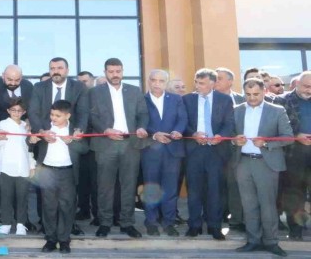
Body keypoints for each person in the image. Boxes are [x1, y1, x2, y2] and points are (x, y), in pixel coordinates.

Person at [231, 78, 294, 257]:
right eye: (248, 94)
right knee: (248, 204)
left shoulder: (277, 110)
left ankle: (271, 242)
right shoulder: (236, 110)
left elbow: (288, 137)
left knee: (267, 205)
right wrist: (235, 141)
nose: (252, 98)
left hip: (266, 163)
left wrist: (266, 143)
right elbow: (229, 134)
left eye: (256, 94)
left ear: (264, 91)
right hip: (243, 163)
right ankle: (253, 241)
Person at [89, 58, 148, 238]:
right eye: (111, 71)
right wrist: (105, 130)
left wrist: (141, 127)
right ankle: (104, 223)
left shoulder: (134, 91)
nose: (115, 75)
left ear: (122, 71)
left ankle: (127, 223)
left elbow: (143, 114)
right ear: (105, 72)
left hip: (130, 144)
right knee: (105, 186)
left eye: (118, 71)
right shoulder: (95, 92)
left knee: (129, 186)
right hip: (106, 144)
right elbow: (92, 116)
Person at [29, 57, 89, 233]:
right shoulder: (39, 87)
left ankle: (69, 226)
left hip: (70, 145)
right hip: (46, 144)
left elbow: (83, 112)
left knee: (68, 195)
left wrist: (78, 131)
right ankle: (46, 225)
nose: (55, 71)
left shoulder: (79, 87)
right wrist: (42, 132)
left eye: (59, 68)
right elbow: (33, 112)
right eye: (52, 68)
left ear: (67, 70)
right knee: (45, 193)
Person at [182, 68, 234, 240]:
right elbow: (182, 123)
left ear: (212, 83)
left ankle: (215, 226)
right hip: (194, 151)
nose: (197, 86)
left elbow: (229, 123)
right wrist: (193, 134)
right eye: (196, 82)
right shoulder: (187, 99)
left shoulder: (224, 100)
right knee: (194, 190)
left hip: (216, 151)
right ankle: (194, 226)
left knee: (215, 191)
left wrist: (221, 136)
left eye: (202, 83)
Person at [0, 64, 34, 231]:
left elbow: (32, 110)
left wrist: (30, 122)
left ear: (22, 78)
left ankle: (22, 221)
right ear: (3, 75)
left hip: (22, 142)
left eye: (17, 80)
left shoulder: (28, 87)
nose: (13, 83)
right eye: (9, 79)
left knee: (21, 186)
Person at [32, 100, 87, 253]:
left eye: (58, 115)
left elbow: (85, 149)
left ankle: (64, 240)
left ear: (67, 116)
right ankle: (50, 239)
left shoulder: (76, 129)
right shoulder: (44, 127)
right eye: (52, 114)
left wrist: (71, 142)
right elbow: (30, 142)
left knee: (67, 206)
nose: (53, 118)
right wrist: (36, 138)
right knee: (49, 206)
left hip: (67, 172)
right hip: (47, 171)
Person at [140, 69, 187, 236]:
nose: (157, 84)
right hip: (150, 151)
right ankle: (151, 222)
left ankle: (169, 222)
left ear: (166, 83)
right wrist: (154, 134)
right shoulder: (141, 99)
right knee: (151, 189)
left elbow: (182, 119)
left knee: (170, 189)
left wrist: (177, 131)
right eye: (153, 80)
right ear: (149, 81)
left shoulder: (176, 99)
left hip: (172, 150)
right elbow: (139, 122)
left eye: (161, 81)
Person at [275, 70, 311, 240]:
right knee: (294, 192)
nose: (309, 90)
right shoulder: (282, 101)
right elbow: (277, 127)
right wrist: (296, 136)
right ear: (296, 84)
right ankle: (295, 230)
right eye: (306, 86)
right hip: (293, 153)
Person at [0, 97, 35, 235]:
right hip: (6, 166)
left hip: (23, 166)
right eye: (13, 110)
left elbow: (29, 148)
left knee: (22, 197)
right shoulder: (3, 124)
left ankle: (21, 224)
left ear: (24, 112)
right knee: (6, 196)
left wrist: (32, 165)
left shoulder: (26, 126)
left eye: (19, 110)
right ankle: (6, 223)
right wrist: (0, 137)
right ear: (8, 111)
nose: (16, 113)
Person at [214, 66, 245, 231]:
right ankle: (216, 216)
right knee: (216, 185)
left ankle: (237, 219)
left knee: (236, 186)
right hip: (216, 150)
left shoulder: (243, 99)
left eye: (219, 78)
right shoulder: (208, 99)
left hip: (239, 150)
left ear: (230, 81)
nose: (215, 81)